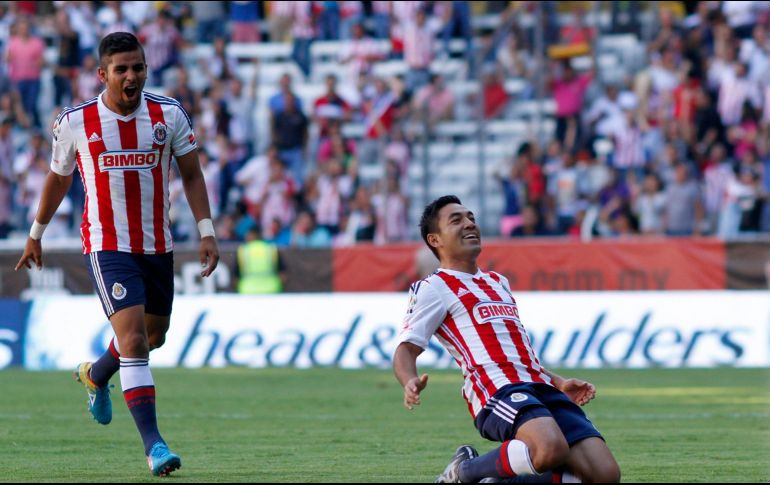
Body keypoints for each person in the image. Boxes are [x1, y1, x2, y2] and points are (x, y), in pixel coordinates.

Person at [14, 32, 219, 477]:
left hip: (157, 244)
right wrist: (36, 233)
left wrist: (206, 230)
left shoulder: (169, 114)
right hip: (107, 244)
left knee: (154, 336)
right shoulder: (75, 121)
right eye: (121, 69)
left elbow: (192, 174)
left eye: (138, 67)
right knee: (134, 342)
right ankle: (155, 447)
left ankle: (95, 374)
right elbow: (58, 179)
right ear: (102, 74)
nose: (131, 76)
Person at [393, 195, 620, 483]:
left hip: (540, 386)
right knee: (549, 448)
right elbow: (406, 349)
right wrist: (408, 380)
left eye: (471, 217)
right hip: (495, 389)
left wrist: (558, 381)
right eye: (457, 220)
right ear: (434, 239)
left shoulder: (498, 282)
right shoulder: (433, 287)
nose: (469, 224)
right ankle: (461, 473)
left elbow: (516, 353)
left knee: (604, 475)